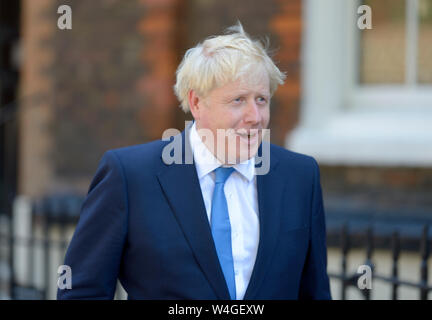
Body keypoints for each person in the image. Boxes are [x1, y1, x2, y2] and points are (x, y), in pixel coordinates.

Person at [57, 23, 331, 300]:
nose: (255, 116)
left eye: (261, 99)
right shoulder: (130, 175)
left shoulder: (300, 176)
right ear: (197, 103)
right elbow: (82, 291)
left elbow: (315, 291)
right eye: (238, 100)